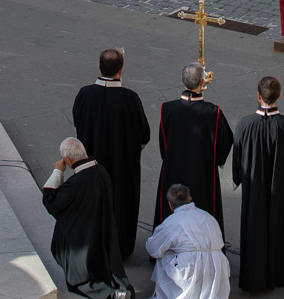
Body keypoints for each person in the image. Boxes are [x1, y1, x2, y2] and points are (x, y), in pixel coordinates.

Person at [73, 49, 151, 259]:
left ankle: (93, 246)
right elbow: (144, 135)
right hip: (121, 168)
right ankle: (120, 247)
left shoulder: (85, 94)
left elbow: (78, 126)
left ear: (99, 67)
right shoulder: (130, 99)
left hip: (90, 166)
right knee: (120, 205)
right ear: (121, 69)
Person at [231, 75, 284, 291]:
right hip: (280, 187)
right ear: (279, 96)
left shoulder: (244, 124)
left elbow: (237, 160)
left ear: (258, 96)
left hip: (254, 188)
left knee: (255, 228)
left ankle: (255, 274)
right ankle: (280, 272)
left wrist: (239, 178)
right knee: (281, 228)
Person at [42, 137, 129, 299]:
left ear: (67, 159)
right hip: (100, 227)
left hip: (83, 232)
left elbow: (50, 201)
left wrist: (57, 172)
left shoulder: (77, 182)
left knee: (81, 277)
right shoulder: (100, 170)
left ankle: (109, 295)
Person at [156, 63, 233, 225]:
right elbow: (225, 141)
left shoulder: (167, 109)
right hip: (202, 172)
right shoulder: (213, 112)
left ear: (182, 80)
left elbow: (164, 142)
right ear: (202, 83)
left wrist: (170, 159)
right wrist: (218, 159)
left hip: (174, 168)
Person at [146, 184, 227, 299]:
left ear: (170, 204)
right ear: (190, 199)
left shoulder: (172, 222)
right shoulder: (208, 216)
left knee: (163, 254)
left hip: (191, 269)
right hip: (217, 269)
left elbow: (153, 249)